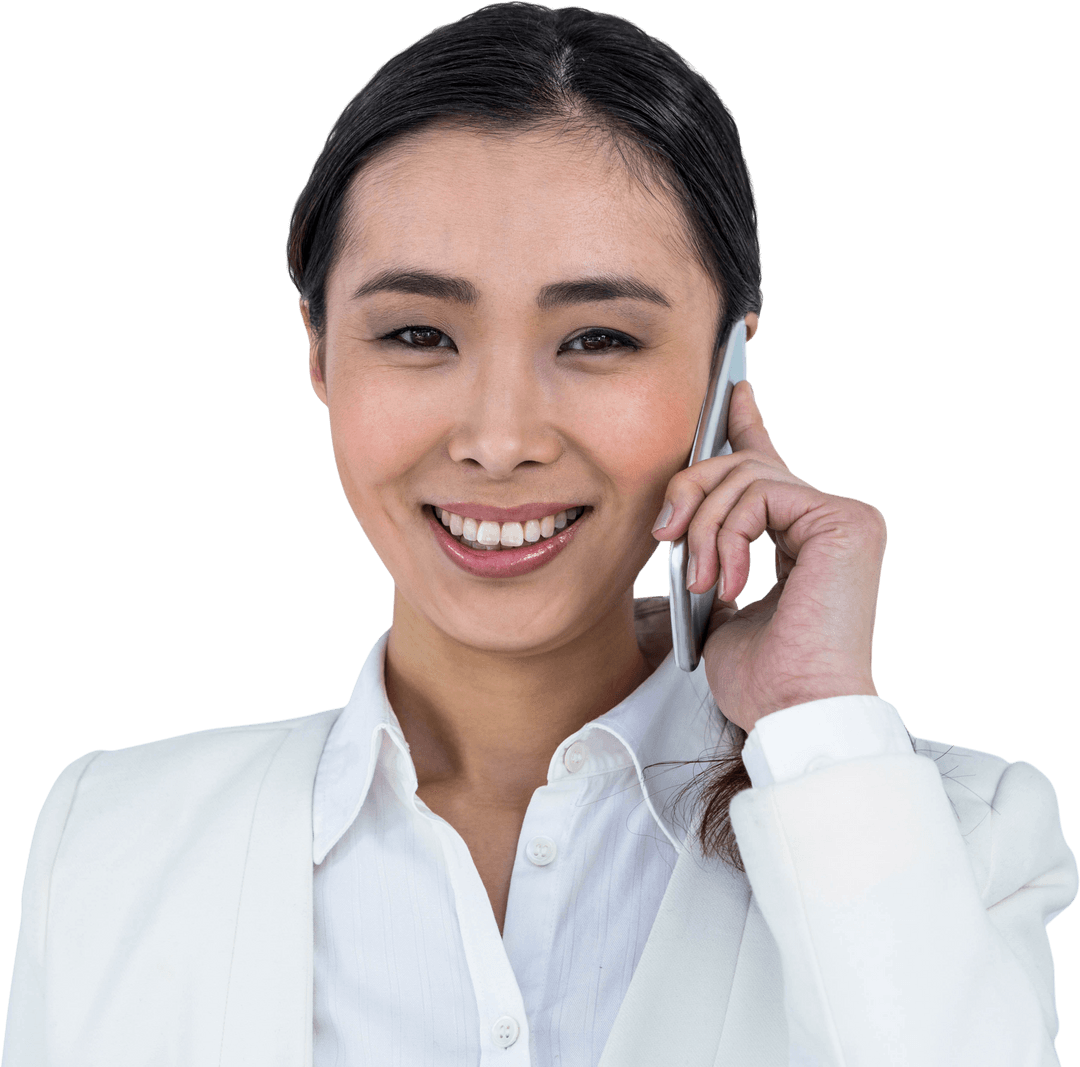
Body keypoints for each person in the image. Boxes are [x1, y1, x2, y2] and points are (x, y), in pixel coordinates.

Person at [3, 4, 1077, 1065]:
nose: (501, 437)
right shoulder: (110, 844)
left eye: (599, 337)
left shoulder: (950, 833)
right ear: (320, 353)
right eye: (419, 333)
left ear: (726, 371)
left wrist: (819, 730)